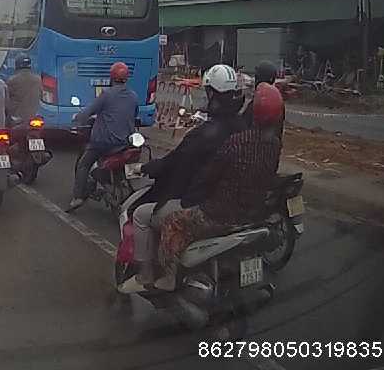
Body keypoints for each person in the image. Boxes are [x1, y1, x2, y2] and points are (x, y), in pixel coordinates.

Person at [121, 64, 246, 292]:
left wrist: (147, 168)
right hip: (234, 202)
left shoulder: (205, 134)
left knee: (140, 215)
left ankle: (147, 275)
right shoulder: (242, 127)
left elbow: (174, 163)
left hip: (203, 203)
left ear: (212, 94)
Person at [152, 80, 282, 292]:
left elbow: (210, 176)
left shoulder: (237, 142)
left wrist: (189, 200)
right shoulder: (275, 145)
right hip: (253, 213)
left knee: (171, 222)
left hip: (220, 214)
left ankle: (168, 277)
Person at [67, 61, 138, 212]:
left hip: (104, 143)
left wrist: (77, 118)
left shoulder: (106, 94)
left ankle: (78, 197)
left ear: (111, 77)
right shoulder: (133, 96)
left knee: (83, 164)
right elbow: (134, 115)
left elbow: (88, 111)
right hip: (125, 143)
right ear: (126, 78)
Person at [6, 56, 41, 127]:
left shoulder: (12, 80)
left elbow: (6, 100)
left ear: (17, 66)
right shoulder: (38, 79)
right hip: (34, 118)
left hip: (17, 119)